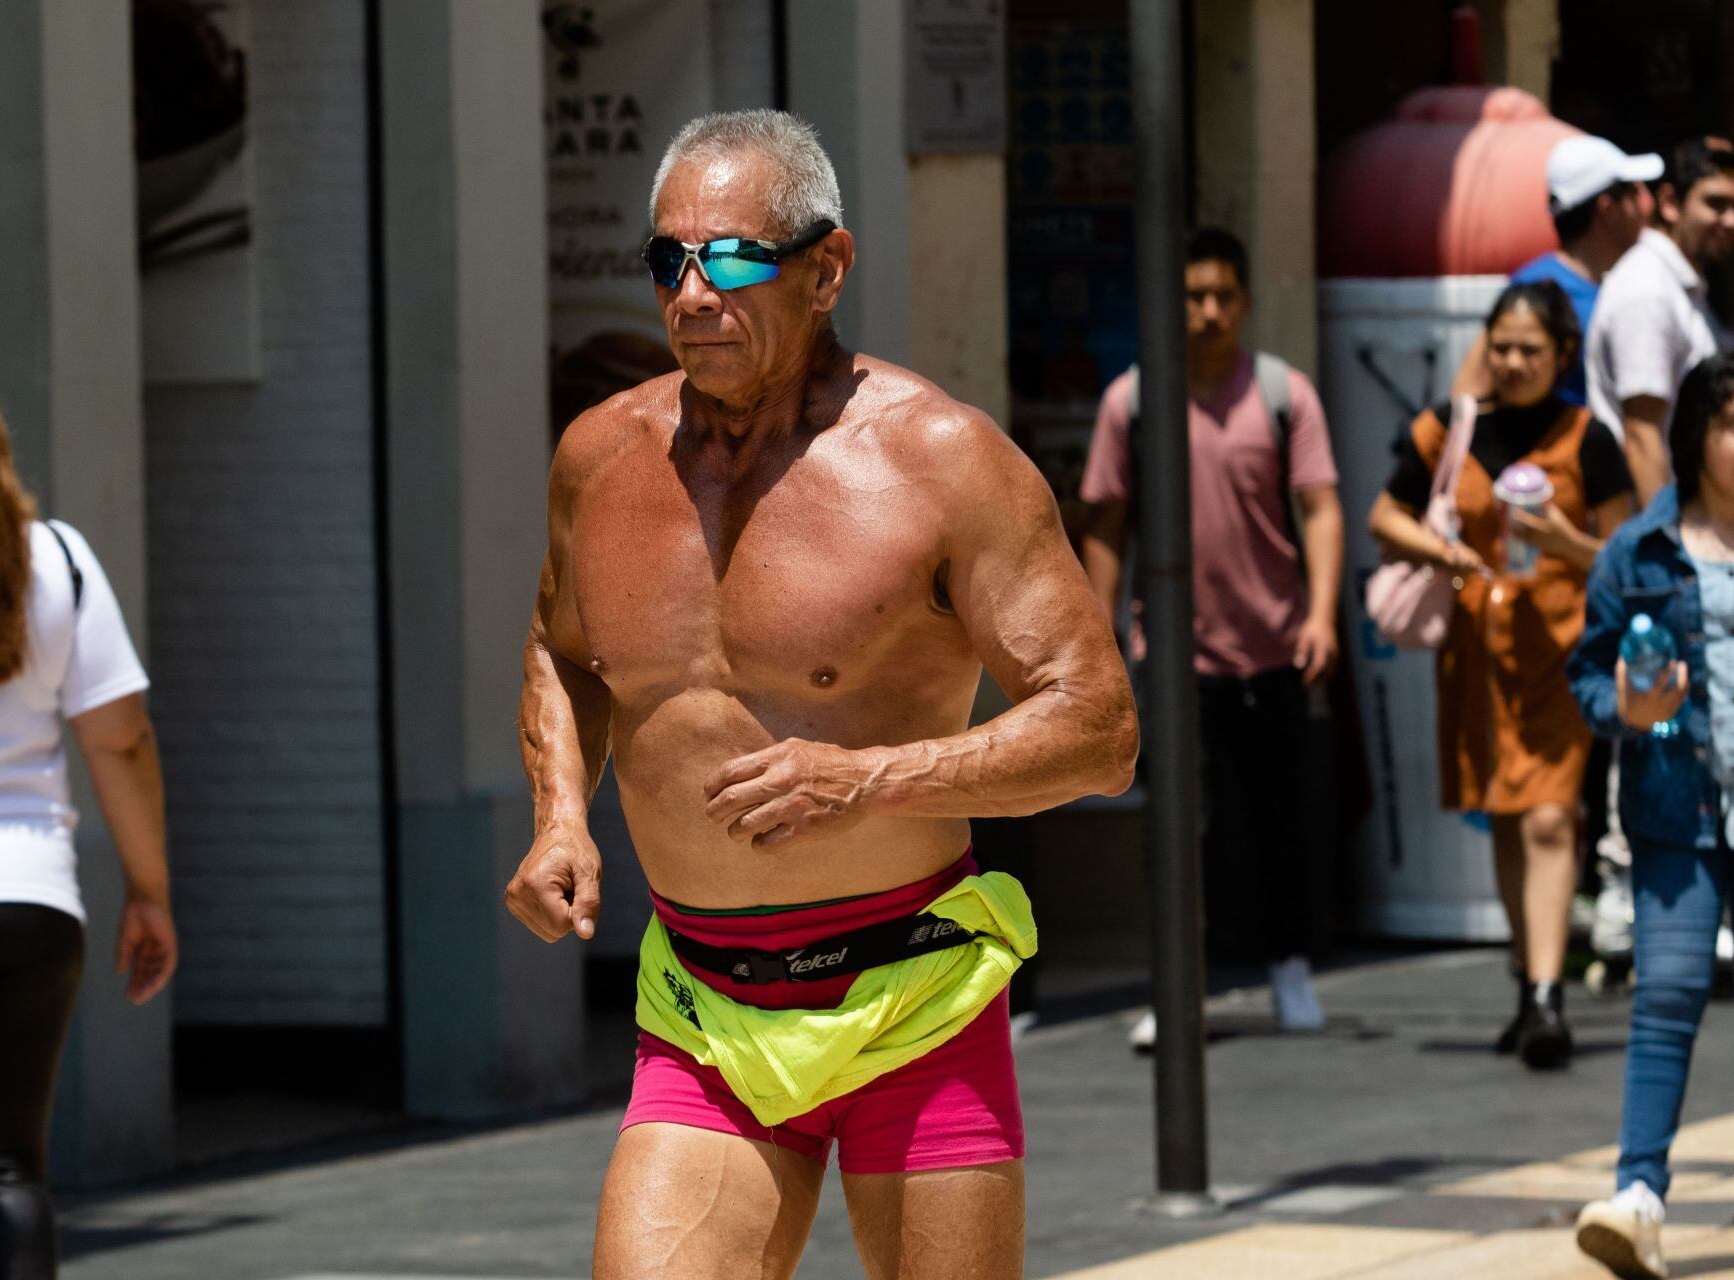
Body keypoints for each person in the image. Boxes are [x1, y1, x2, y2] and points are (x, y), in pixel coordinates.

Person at [502, 110, 1136, 1280]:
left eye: (735, 257)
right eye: (668, 260)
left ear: (828, 266)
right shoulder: (600, 457)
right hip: (701, 1009)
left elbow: (1098, 729)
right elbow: (564, 647)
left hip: (918, 996)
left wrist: (866, 777)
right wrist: (558, 813)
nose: (694, 292)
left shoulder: (942, 458)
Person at [0, 355, 175, 1280]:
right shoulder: (54, 555)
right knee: (4, 1164)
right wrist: (149, 893)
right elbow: (122, 743)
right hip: (28, 905)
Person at [1570, 352, 1734, 1277]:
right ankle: (1638, 1196)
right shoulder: (1638, 551)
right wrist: (1622, 712)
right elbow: (1588, 675)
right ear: (1696, 436)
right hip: (1677, 808)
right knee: (1665, 994)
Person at [1078, 227, 1344, 1040]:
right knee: (1181, 827)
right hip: (1174, 656)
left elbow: (1322, 509)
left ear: (1246, 302)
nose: (1207, 313)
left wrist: (1324, 615)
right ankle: (1176, 988)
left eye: (1222, 296)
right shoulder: (1133, 400)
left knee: (1279, 818)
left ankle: (1291, 969)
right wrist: (1099, 641)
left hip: (1274, 646)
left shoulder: (1282, 395)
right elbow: (1106, 525)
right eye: (1193, 297)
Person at [1368, 282, 1635, 1070]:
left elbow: (1626, 558)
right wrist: (1441, 551)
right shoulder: (1450, 429)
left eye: (1532, 350)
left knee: (1551, 817)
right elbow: (1385, 514)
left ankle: (1550, 996)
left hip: (1562, 655)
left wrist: (1563, 543)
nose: (1515, 362)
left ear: (1562, 356)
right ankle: (1531, 980)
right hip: (1478, 657)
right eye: (1503, 346)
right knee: (1511, 816)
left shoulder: (1590, 439)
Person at [1587, 137, 1734, 504]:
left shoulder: (1680, 286)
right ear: (1670, 203)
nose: (1733, 221)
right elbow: (1643, 433)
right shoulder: (1649, 289)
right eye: (1716, 204)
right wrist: (1667, 545)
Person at [1451, 134, 1660, 406]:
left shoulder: (1621, 285)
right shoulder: (1536, 288)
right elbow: (1470, 391)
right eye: (1633, 194)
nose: (1645, 207)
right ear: (1607, 208)